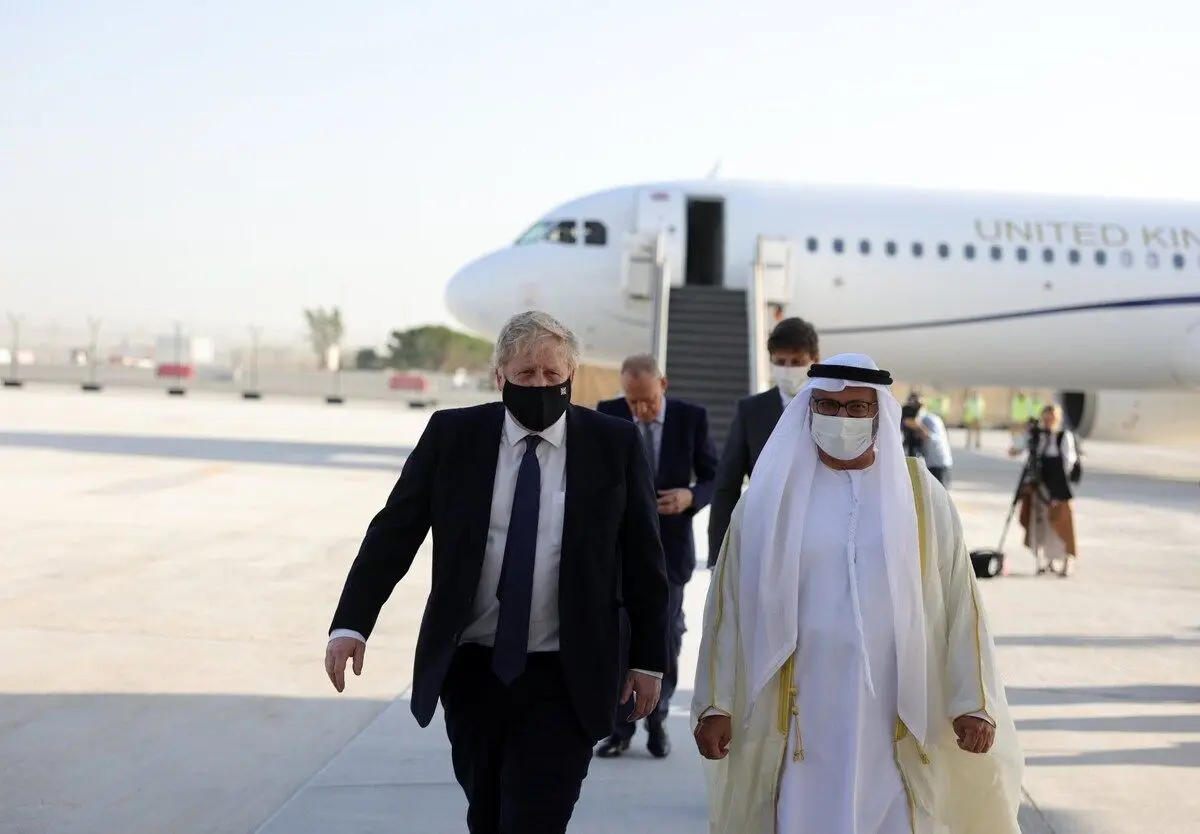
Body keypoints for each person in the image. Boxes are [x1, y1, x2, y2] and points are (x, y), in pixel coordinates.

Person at [324, 310, 670, 834]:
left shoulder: (612, 444)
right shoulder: (453, 436)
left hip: (567, 674)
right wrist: (352, 623)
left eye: (552, 374)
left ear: (571, 377)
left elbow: (645, 559)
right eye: (526, 373)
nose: (540, 384)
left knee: (535, 819)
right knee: (486, 817)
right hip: (473, 672)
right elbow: (394, 533)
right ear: (499, 376)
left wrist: (649, 661)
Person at [692, 353, 1024, 834]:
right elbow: (728, 607)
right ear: (809, 409)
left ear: (878, 413)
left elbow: (960, 602)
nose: (841, 418)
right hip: (800, 712)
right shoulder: (771, 497)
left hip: (897, 711)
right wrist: (715, 704)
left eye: (856, 408)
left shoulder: (920, 495)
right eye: (828, 406)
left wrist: (972, 701)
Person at [594, 353, 718, 759]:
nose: (640, 410)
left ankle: (658, 718)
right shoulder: (607, 413)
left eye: (647, 400)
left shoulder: (691, 418)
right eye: (632, 401)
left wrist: (690, 497)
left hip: (671, 548)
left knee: (667, 635)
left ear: (662, 385)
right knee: (619, 636)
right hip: (619, 550)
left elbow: (714, 475)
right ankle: (620, 728)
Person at [707, 316, 820, 567]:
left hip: (820, 541)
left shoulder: (832, 407)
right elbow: (727, 486)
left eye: (796, 362)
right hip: (765, 541)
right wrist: (718, 556)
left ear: (815, 360)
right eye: (780, 362)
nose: (788, 369)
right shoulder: (751, 411)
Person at [1010, 403, 1079, 577]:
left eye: (1051, 419)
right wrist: (1026, 435)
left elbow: (1068, 461)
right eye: (1045, 419)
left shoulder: (1063, 437)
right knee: (1042, 524)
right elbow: (1015, 449)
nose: (1048, 422)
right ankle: (1048, 560)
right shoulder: (1037, 436)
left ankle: (1067, 559)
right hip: (1039, 485)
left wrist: (1058, 486)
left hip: (1058, 486)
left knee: (1062, 522)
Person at [905, 394, 954, 486]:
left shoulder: (929, 419)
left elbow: (931, 438)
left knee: (940, 493)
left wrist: (917, 425)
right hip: (932, 463)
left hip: (939, 464)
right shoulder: (928, 418)